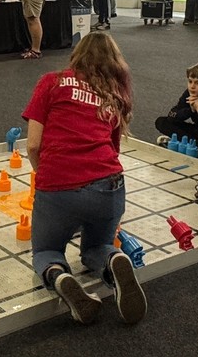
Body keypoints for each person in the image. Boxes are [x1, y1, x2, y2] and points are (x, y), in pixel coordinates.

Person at [22, 33, 146, 326]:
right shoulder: (114, 93)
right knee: (96, 246)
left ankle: (60, 275)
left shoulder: (51, 82)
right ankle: (112, 261)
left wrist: (47, 177)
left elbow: (32, 145)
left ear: (77, 54)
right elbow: (113, 149)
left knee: (46, 250)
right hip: (109, 184)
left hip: (59, 186)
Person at [154, 62, 198, 160]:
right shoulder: (189, 93)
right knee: (162, 122)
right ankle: (190, 146)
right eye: (190, 81)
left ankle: (190, 146)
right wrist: (190, 110)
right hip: (197, 131)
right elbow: (172, 115)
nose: (192, 86)